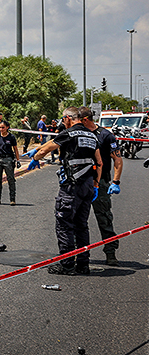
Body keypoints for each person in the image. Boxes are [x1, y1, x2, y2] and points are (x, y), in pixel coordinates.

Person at [26, 107, 102, 275]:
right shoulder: (92, 135)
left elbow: (46, 149)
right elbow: (100, 162)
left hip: (71, 187)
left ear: (68, 118)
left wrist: (35, 157)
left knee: (64, 225)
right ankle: (83, 264)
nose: (62, 122)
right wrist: (95, 184)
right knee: (81, 226)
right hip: (88, 185)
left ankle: (67, 265)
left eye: (63, 119)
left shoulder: (69, 133)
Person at [79, 106, 123, 266]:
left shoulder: (105, 135)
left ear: (85, 119)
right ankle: (80, 254)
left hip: (101, 184)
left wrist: (116, 182)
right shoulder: (78, 133)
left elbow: (117, 159)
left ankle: (110, 252)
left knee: (104, 218)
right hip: (80, 183)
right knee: (78, 220)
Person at [0, 120, 21, 205]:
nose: (1, 129)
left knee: (11, 179)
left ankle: (12, 199)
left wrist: (18, 160)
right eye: (0, 127)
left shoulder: (11, 137)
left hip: (8, 159)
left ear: (7, 128)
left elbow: (15, 149)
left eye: (3, 127)